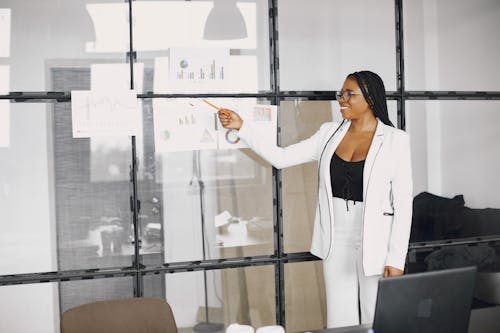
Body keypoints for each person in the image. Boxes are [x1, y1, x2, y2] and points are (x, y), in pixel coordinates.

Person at [217, 71, 413, 328]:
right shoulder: (328, 133)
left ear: (370, 99)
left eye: (349, 94)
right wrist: (243, 127)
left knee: (375, 316)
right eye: (340, 93)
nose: (341, 99)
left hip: (376, 241)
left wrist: (396, 260)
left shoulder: (395, 140)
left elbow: (404, 204)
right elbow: (281, 157)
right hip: (335, 240)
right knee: (340, 320)